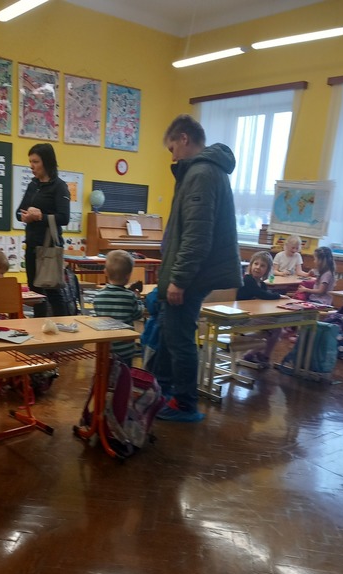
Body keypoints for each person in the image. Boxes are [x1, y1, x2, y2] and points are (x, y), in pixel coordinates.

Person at [155, 114, 242, 422]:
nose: (172, 157)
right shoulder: (204, 170)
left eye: (172, 149)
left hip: (192, 275)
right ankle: (162, 389)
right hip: (194, 271)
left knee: (179, 338)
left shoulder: (201, 173)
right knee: (170, 332)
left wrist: (178, 280)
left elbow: (197, 234)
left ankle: (184, 404)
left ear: (184, 139)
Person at [16, 143, 70, 317]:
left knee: (53, 291)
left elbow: (64, 217)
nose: (31, 166)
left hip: (49, 247)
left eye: (35, 162)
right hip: (32, 245)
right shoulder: (33, 185)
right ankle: (39, 327)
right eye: (30, 162)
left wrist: (40, 216)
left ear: (46, 162)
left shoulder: (59, 186)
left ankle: (63, 328)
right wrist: (24, 216)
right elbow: (18, 212)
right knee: (35, 293)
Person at [93, 250, 144, 366]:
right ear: (129, 275)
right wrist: (138, 299)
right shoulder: (130, 296)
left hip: (105, 347)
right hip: (125, 348)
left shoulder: (98, 295)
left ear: (105, 272)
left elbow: (97, 315)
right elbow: (138, 314)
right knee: (125, 374)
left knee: (105, 372)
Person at [237, 250, 288, 367]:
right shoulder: (248, 280)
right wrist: (278, 296)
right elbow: (262, 294)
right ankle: (257, 355)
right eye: (256, 264)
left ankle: (260, 355)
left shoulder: (262, 284)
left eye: (262, 266)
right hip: (242, 318)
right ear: (251, 265)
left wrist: (277, 297)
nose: (258, 267)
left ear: (267, 270)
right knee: (277, 328)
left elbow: (266, 295)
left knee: (278, 329)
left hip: (254, 317)